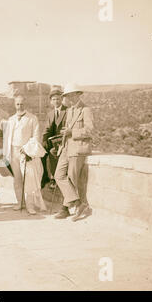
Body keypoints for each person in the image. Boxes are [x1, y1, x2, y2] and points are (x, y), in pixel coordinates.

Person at [54, 83, 94, 222]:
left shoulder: (85, 110)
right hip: (66, 148)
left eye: (71, 95)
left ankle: (73, 209)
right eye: (67, 95)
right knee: (58, 175)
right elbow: (68, 131)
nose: (69, 98)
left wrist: (72, 132)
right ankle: (78, 203)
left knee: (72, 179)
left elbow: (90, 130)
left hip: (78, 149)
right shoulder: (70, 110)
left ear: (78, 94)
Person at [4, 96, 46, 214]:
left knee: (29, 179)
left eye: (22, 104)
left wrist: (28, 150)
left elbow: (36, 136)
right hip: (13, 152)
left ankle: (30, 205)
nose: (20, 106)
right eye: (17, 104)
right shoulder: (11, 119)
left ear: (25, 104)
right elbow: (7, 138)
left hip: (26, 152)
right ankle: (19, 202)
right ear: (14, 105)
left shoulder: (32, 118)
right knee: (17, 178)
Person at [42, 85, 68, 189]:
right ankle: (45, 178)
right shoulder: (50, 114)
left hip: (63, 141)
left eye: (58, 99)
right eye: (53, 99)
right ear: (50, 101)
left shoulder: (67, 111)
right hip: (53, 141)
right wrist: (43, 141)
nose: (56, 101)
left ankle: (55, 178)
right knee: (42, 152)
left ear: (62, 99)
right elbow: (47, 130)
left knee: (54, 152)